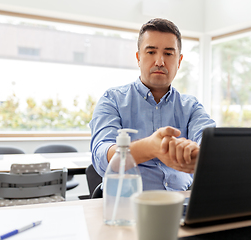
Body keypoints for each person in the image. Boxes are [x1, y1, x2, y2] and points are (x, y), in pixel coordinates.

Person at [90, 18, 215, 191]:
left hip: (182, 204)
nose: (159, 62)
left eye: (168, 54)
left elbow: (210, 141)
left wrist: (198, 153)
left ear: (179, 61)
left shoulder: (191, 106)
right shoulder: (112, 99)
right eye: (151, 52)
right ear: (138, 58)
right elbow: (102, 156)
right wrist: (151, 147)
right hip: (127, 207)